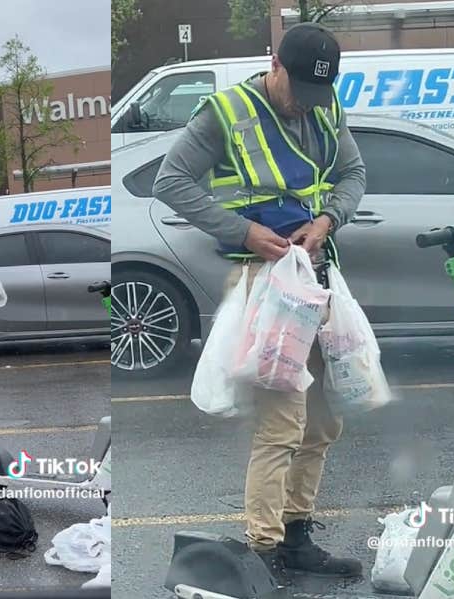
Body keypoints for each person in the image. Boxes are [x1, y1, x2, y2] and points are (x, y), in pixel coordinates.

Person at [152, 22, 366, 584]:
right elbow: (171, 181)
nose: (306, 107)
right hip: (260, 285)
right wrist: (243, 231)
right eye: (298, 91)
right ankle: (264, 550)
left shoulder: (325, 108)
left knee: (322, 424)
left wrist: (328, 219)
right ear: (274, 64)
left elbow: (354, 172)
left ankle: (297, 538)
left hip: (315, 281)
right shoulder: (225, 113)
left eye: (318, 95)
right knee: (282, 427)